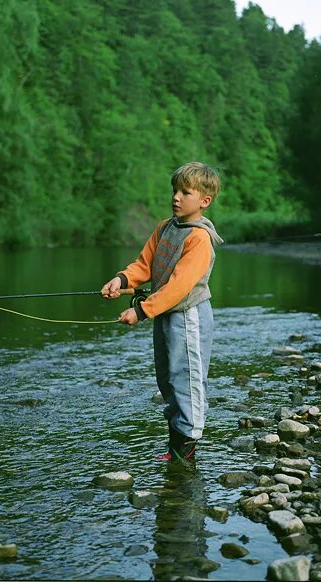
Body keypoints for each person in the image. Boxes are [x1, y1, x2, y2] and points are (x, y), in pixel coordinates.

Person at [101, 162, 223, 461]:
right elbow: (144, 265)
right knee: (167, 376)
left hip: (189, 315)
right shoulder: (165, 228)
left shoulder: (200, 239)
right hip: (166, 313)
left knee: (188, 377)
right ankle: (176, 445)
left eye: (185, 192)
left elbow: (180, 286)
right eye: (175, 191)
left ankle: (187, 445)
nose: (176, 198)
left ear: (204, 201)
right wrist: (122, 280)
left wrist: (142, 311)